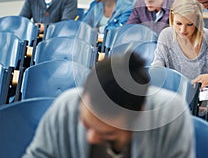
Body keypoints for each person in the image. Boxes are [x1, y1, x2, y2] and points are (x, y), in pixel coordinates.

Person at [23, 52, 195, 157]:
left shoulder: (170, 114)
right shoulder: (67, 106)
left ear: (138, 115)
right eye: (86, 124)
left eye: (108, 132)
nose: (91, 138)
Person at [152, 0, 208, 81]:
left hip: (205, 93)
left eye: (190, 24)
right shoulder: (166, 35)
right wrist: (156, 71)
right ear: (172, 17)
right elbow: (159, 62)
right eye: (178, 23)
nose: (183, 30)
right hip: (174, 92)